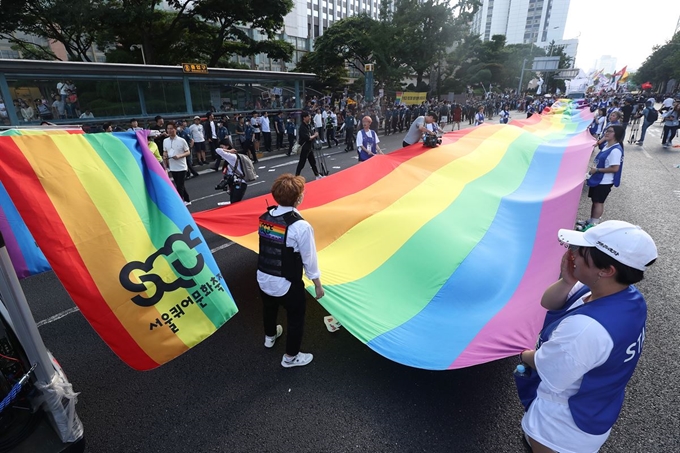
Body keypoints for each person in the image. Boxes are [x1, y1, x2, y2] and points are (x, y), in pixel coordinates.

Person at [517, 220, 657, 453]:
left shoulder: (586, 330)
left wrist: (522, 353)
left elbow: (546, 368)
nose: (572, 254)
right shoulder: (627, 297)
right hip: (596, 408)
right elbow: (549, 303)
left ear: (606, 270)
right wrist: (567, 280)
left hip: (560, 430)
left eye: (581, 252)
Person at [257, 173, 324, 368]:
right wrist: (317, 284)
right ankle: (291, 357)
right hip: (286, 282)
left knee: (269, 309)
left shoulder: (265, 217)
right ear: (298, 198)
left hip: (262, 275)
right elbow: (309, 258)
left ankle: (270, 337)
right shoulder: (300, 226)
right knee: (296, 317)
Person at [580, 125, 624, 230]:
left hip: (604, 181)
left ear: (616, 134)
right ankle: (591, 221)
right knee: (594, 201)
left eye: (610, 132)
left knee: (598, 202)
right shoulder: (608, 145)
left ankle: (594, 225)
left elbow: (615, 168)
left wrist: (598, 170)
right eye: (606, 131)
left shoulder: (615, 150)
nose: (606, 133)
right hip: (598, 179)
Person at [162, 121, 192, 206]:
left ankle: (180, 204)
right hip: (173, 166)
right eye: (168, 129)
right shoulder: (165, 141)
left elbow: (188, 152)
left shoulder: (181, 140)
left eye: (171, 128)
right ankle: (187, 199)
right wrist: (165, 156)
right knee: (180, 184)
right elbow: (165, 151)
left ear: (175, 129)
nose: (170, 130)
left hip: (182, 166)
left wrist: (179, 156)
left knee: (179, 186)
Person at [215, 139, 248, 204]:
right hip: (234, 183)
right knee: (233, 203)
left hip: (240, 183)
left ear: (227, 146)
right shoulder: (229, 159)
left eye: (222, 147)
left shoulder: (232, 156)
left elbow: (217, 150)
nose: (222, 149)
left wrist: (229, 151)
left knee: (235, 203)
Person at [294, 112, 322, 179]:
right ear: (304, 118)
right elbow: (308, 138)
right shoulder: (302, 127)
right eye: (308, 116)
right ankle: (296, 177)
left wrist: (314, 134)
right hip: (304, 148)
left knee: (313, 162)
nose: (310, 118)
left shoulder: (308, 125)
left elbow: (311, 134)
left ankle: (317, 175)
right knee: (302, 163)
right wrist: (315, 135)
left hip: (309, 147)